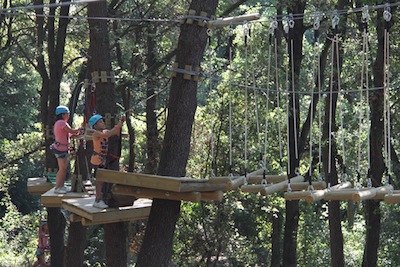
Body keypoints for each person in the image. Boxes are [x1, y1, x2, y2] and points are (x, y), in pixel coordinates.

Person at [89, 114, 125, 209]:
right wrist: (117, 126)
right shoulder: (96, 133)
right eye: (100, 122)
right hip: (97, 159)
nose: (103, 123)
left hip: (102, 160)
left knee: (103, 180)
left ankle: (101, 198)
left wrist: (121, 122)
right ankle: (97, 200)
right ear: (95, 126)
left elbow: (115, 131)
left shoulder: (104, 131)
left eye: (102, 121)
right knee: (99, 180)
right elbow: (107, 134)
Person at [51, 105, 81, 194]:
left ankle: (61, 186)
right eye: (67, 114)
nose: (68, 116)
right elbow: (72, 131)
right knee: (62, 169)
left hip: (62, 148)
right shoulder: (61, 123)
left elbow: (68, 134)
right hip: (61, 149)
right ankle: (58, 187)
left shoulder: (59, 123)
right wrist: (79, 129)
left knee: (63, 169)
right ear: (63, 115)